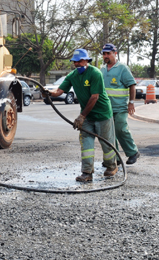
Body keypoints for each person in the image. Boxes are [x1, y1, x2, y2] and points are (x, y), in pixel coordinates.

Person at [45, 48, 117, 182]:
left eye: (79, 61)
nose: (77, 64)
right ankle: (87, 172)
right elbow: (59, 90)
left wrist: (81, 116)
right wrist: (50, 93)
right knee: (86, 143)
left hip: (102, 114)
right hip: (87, 116)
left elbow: (94, 97)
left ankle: (112, 166)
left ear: (86, 61)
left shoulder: (95, 73)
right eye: (75, 62)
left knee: (106, 144)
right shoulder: (72, 76)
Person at [100, 43, 140, 165]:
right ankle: (115, 158)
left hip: (121, 107)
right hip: (106, 108)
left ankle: (133, 152)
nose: (106, 56)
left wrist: (131, 102)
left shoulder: (122, 68)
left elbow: (132, 85)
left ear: (115, 54)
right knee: (109, 134)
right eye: (104, 54)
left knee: (121, 129)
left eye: (108, 53)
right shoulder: (101, 69)